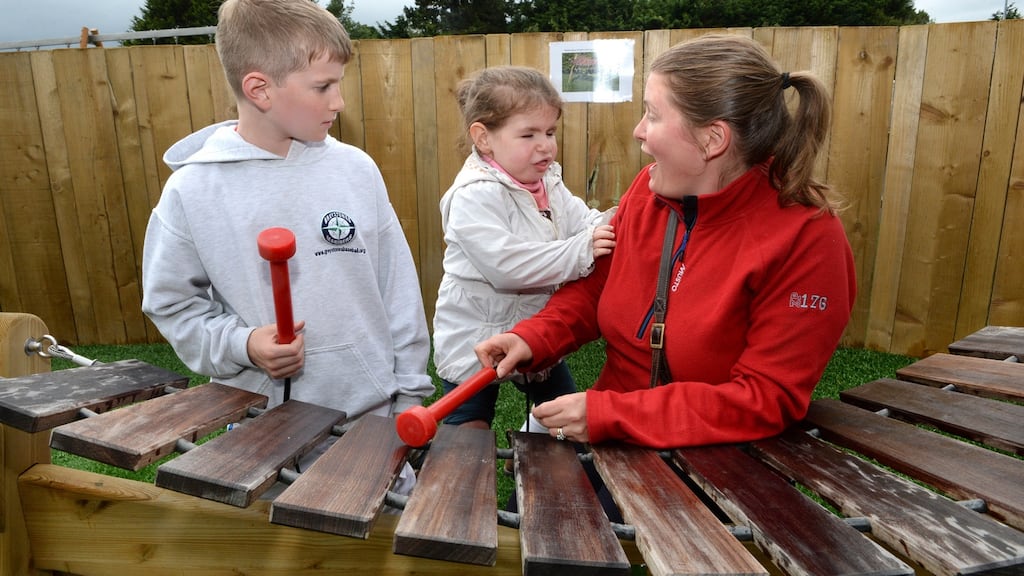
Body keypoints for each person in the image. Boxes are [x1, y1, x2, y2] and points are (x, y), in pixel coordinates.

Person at [474, 34, 856, 452]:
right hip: (614, 438)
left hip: (715, 460)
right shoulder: (649, 190)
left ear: (713, 140)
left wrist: (612, 415)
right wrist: (533, 338)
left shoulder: (808, 237)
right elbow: (596, 287)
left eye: (653, 115)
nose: (639, 131)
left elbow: (766, 399)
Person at [141, 0, 433, 487]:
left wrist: (409, 396)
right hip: (261, 430)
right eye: (323, 86)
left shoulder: (356, 171)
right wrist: (244, 343)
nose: (338, 101)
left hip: (372, 419)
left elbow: (396, 291)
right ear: (259, 89)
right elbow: (173, 306)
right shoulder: (193, 192)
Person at [432, 66, 617, 439]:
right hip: (476, 332)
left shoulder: (547, 182)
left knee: (560, 411)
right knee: (468, 422)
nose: (545, 145)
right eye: (529, 134)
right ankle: (458, 482)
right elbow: (508, 267)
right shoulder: (474, 195)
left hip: (532, 330)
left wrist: (619, 221)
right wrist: (580, 250)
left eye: (550, 132)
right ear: (484, 138)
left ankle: (529, 454)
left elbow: (584, 222)